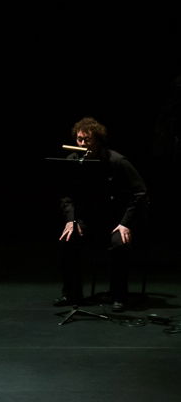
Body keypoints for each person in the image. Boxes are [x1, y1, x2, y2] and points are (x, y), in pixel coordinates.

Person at [55, 117, 149, 312]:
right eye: (79, 139)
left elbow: (140, 193)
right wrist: (71, 220)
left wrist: (125, 223)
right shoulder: (73, 161)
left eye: (87, 140)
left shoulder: (117, 161)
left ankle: (118, 295)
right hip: (87, 219)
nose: (82, 143)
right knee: (67, 239)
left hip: (115, 220)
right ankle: (72, 294)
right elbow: (66, 195)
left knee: (119, 244)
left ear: (97, 140)